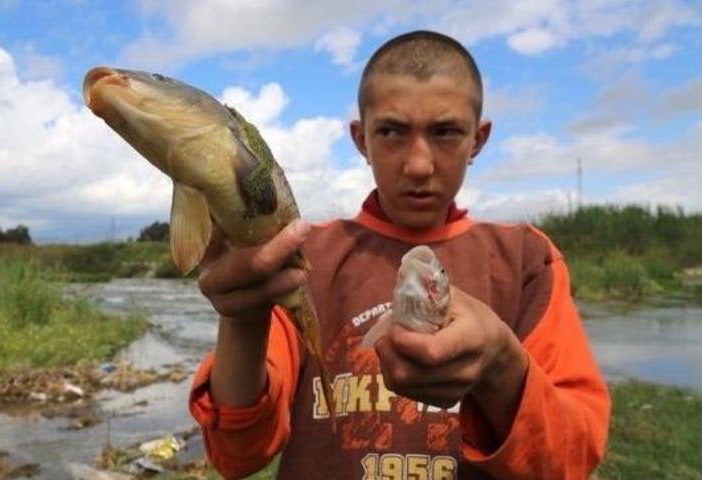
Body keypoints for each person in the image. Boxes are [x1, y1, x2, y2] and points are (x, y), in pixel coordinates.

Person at [188, 30, 610, 479]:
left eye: (445, 133)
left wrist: (502, 367)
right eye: (391, 132)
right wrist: (243, 319)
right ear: (361, 139)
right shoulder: (300, 256)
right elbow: (238, 455)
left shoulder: (526, 260)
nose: (419, 165)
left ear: (478, 139)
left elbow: (571, 460)